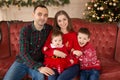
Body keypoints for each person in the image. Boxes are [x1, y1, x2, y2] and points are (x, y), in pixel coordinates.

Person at [3, 5, 55, 80]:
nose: (43, 18)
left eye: (45, 15)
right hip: (22, 62)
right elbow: (23, 53)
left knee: (40, 78)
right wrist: (39, 67)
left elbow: (60, 36)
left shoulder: (49, 29)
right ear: (33, 15)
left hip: (38, 62)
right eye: (39, 14)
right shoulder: (25, 30)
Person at [44, 10, 80, 80]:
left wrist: (69, 57)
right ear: (57, 23)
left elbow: (77, 53)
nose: (62, 23)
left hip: (71, 65)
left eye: (64, 19)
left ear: (68, 20)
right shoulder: (53, 33)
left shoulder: (74, 35)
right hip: (55, 64)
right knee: (51, 78)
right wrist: (53, 52)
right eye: (59, 21)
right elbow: (45, 49)